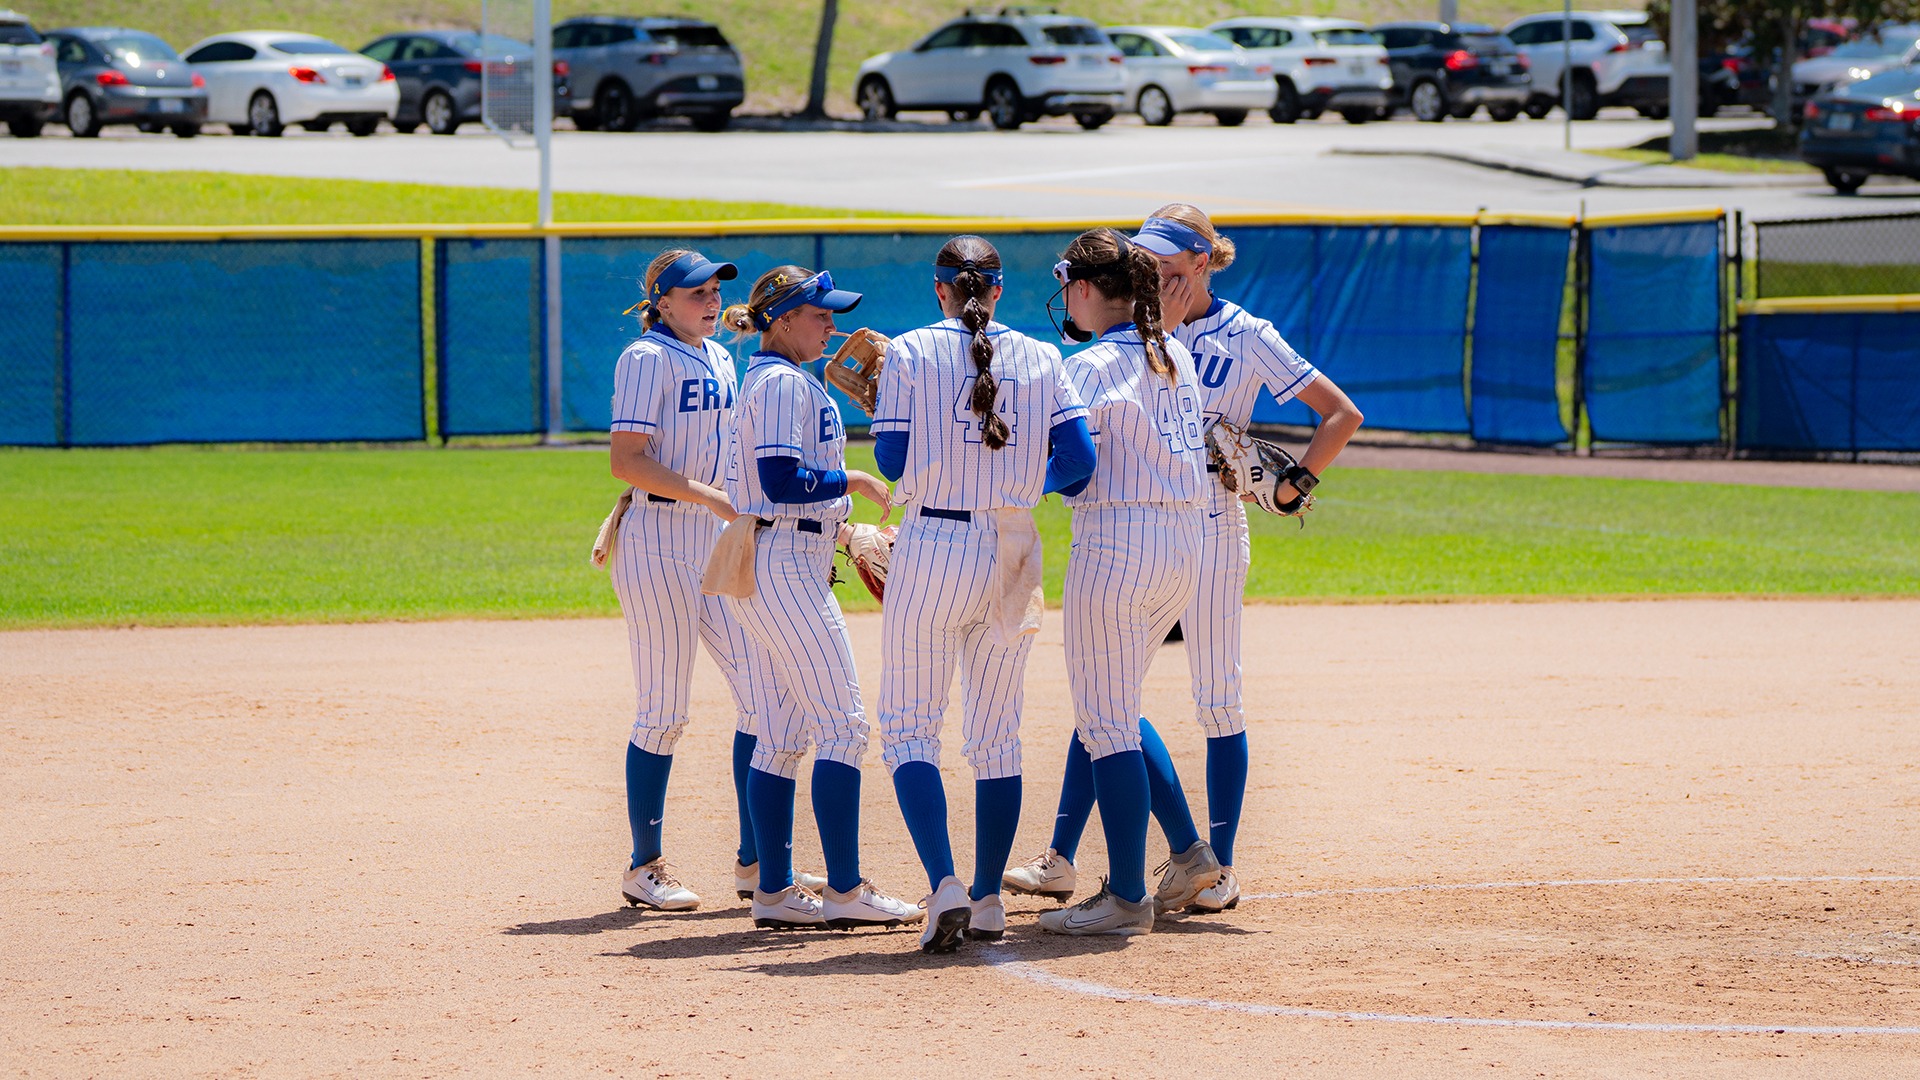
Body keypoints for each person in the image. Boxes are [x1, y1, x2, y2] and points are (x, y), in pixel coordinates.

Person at [1007, 204, 1364, 915]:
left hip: (1208, 526)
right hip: (1153, 526)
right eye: (1146, 256)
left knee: (1211, 697)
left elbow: (1341, 413)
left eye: (1168, 257)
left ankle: (1215, 867)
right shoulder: (1148, 335)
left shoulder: (1242, 334)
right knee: (1109, 698)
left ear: (1203, 261)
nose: (1154, 266)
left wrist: (1295, 485)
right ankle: (1062, 857)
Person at [869, 236, 1096, 953]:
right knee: (996, 735)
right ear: (998, 290)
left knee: (910, 727)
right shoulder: (1044, 356)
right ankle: (991, 895)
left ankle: (944, 886)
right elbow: (1080, 462)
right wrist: (1023, 482)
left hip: (933, 542)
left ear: (940, 289)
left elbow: (891, 460)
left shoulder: (908, 351)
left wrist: (892, 407)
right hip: (1012, 545)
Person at [609, 249, 825, 912]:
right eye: (693, 292)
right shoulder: (645, 357)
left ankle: (757, 862)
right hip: (657, 540)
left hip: (716, 536)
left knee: (764, 699)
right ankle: (645, 866)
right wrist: (712, 497)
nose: (708, 300)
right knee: (664, 709)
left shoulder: (722, 360)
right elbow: (627, 461)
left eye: (712, 290)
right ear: (661, 302)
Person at [719, 265, 924, 932]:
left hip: (782, 557)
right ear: (782, 320)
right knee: (843, 727)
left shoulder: (774, 379)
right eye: (819, 314)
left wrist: (842, 529)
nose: (832, 325)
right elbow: (782, 479)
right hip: (785, 568)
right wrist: (854, 479)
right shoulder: (781, 383)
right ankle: (844, 889)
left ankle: (774, 891)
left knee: (781, 734)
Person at [1035, 228, 1209, 938]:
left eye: (1068, 286)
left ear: (1083, 288)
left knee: (1105, 724)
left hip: (1118, 544)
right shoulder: (1174, 352)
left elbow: (1074, 469)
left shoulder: (1085, 366)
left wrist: (1003, 483)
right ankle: (1191, 854)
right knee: (1118, 712)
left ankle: (1128, 897)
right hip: (1185, 544)